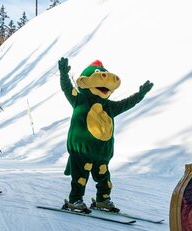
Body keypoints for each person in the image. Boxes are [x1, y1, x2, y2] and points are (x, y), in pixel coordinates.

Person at [59, 57, 153, 212]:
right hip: (81, 151)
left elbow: (127, 103)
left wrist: (139, 95)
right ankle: (75, 200)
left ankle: (103, 200)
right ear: (85, 82)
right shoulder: (80, 100)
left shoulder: (109, 106)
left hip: (102, 154)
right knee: (80, 178)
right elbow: (67, 88)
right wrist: (63, 74)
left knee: (105, 180)